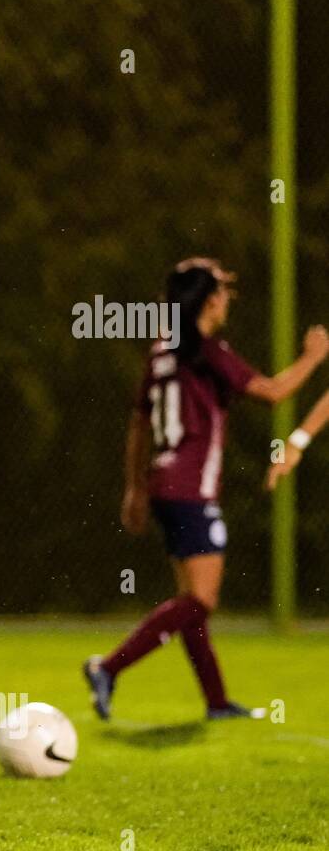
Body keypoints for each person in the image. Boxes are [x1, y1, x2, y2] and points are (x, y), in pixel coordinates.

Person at [83, 257, 328, 720]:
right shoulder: (206, 351)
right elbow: (274, 392)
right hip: (190, 488)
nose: (228, 301)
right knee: (198, 602)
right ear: (211, 301)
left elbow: (139, 423)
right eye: (224, 292)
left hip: (163, 482)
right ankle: (109, 667)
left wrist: (134, 487)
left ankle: (216, 701)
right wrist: (313, 356)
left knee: (192, 604)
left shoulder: (161, 350)